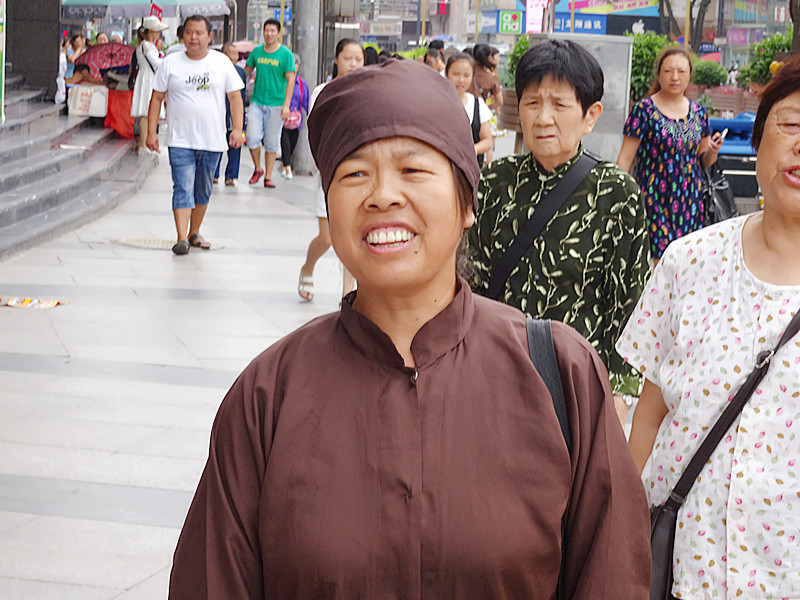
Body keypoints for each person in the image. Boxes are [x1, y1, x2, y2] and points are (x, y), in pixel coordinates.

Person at [168, 58, 651, 600]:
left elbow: (613, 576)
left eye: (413, 170)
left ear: (467, 201)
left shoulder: (559, 373)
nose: (382, 195)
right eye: (354, 174)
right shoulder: (268, 395)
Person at [618, 55, 800, 600]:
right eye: (790, 125)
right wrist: (618, 537)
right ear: (760, 140)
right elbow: (648, 419)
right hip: (678, 573)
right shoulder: (688, 262)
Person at [469, 39, 651, 419]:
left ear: (590, 114)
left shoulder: (616, 193)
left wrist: (618, 399)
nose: (543, 117)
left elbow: (630, 305)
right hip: (493, 382)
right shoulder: (495, 182)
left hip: (577, 393)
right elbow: (470, 284)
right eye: (532, 102)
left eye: (559, 104)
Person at [145, 15, 244, 255]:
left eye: (199, 33)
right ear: (183, 35)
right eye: (189, 32)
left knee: (203, 188)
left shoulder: (221, 63)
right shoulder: (170, 62)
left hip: (212, 140)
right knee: (182, 186)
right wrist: (151, 132)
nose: (193, 37)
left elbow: (235, 98)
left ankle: (194, 231)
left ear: (210, 37)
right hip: (180, 139)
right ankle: (181, 238)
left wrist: (238, 130)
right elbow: (157, 97)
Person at [616, 46, 724, 263]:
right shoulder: (643, 111)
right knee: (658, 260)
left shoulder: (699, 114)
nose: (675, 77)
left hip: (690, 199)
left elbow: (703, 162)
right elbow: (625, 160)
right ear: (659, 74)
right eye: (668, 71)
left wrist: (712, 151)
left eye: (681, 71)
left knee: (686, 260)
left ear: (689, 75)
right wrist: (618, 199)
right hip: (652, 198)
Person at [297, 38, 363, 302]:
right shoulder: (323, 91)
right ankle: (307, 267)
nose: (354, 64)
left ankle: (348, 295)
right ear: (336, 59)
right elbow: (316, 131)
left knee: (352, 236)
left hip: (358, 173)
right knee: (327, 238)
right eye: (348, 58)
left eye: (359, 59)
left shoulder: (367, 91)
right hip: (330, 171)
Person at [244, 18, 296, 189]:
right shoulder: (257, 52)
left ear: (278, 33)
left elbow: (290, 80)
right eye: (266, 30)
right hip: (257, 102)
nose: (269, 34)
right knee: (251, 137)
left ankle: (268, 176)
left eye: (273, 31)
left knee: (272, 142)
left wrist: (286, 105)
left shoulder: (286, 55)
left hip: (277, 105)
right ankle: (257, 168)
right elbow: (245, 72)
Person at [445, 53, 492, 168]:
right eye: (456, 74)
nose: (461, 80)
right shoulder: (437, 103)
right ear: (446, 74)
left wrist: (473, 150)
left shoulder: (478, 104)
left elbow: (488, 140)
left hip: (471, 169)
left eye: (466, 75)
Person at [131, 16, 168, 153]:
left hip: (146, 77)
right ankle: (144, 144)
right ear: (151, 31)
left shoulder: (146, 46)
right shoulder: (147, 46)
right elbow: (156, 63)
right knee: (146, 112)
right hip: (148, 78)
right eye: (157, 30)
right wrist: (165, 59)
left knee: (147, 112)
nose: (159, 33)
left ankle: (146, 144)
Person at [214, 43, 248, 186]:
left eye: (236, 54)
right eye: (230, 53)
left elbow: (242, 95)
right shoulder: (216, 70)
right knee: (216, 145)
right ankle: (214, 174)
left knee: (235, 146)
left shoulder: (241, 72)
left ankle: (231, 176)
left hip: (234, 116)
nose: (234, 56)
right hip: (220, 114)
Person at [279, 53, 310, 180]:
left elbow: (306, 101)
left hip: (296, 121)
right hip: (282, 118)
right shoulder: (281, 81)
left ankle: (283, 164)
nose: (293, 66)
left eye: (295, 64)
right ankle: (288, 168)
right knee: (285, 143)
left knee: (292, 145)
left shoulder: (301, 83)